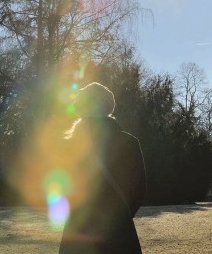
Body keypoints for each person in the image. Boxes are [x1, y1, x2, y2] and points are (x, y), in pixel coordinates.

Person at [59, 82, 146, 254]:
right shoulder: (129, 143)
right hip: (120, 234)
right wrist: (119, 217)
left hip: (78, 232)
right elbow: (138, 190)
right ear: (108, 107)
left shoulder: (71, 145)